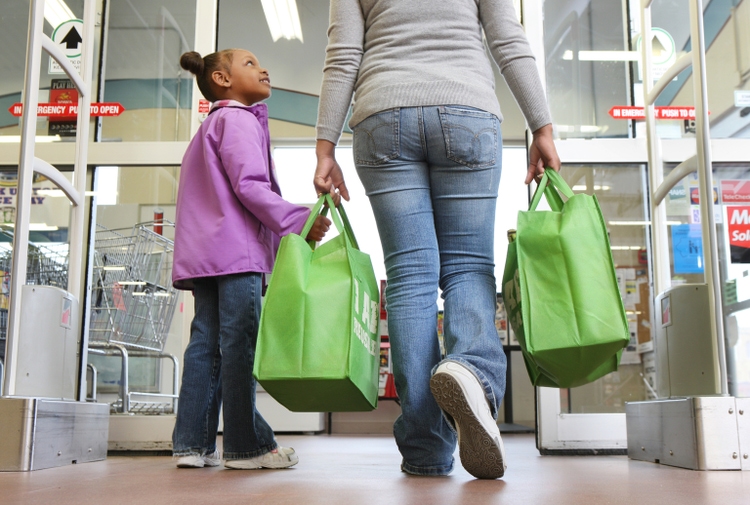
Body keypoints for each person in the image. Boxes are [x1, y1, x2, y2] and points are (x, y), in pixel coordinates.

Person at [313, 0, 561, 479]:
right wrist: (542, 126)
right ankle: (472, 372)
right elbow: (508, 39)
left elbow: (343, 54)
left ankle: (426, 447)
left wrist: (325, 148)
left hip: (382, 116)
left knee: (410, 280)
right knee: (468, 266)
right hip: (467, 108)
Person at [172, 48, 332, 470]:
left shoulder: (209, 127)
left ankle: (192, 444)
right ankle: (247, 446)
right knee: (240, 344)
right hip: (236, 256)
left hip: (205, 255)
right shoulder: (238, 120)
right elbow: (250, 186)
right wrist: (301, 221)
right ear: (222, 80)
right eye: (249, 63)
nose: (263, 69)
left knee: (205, 345)